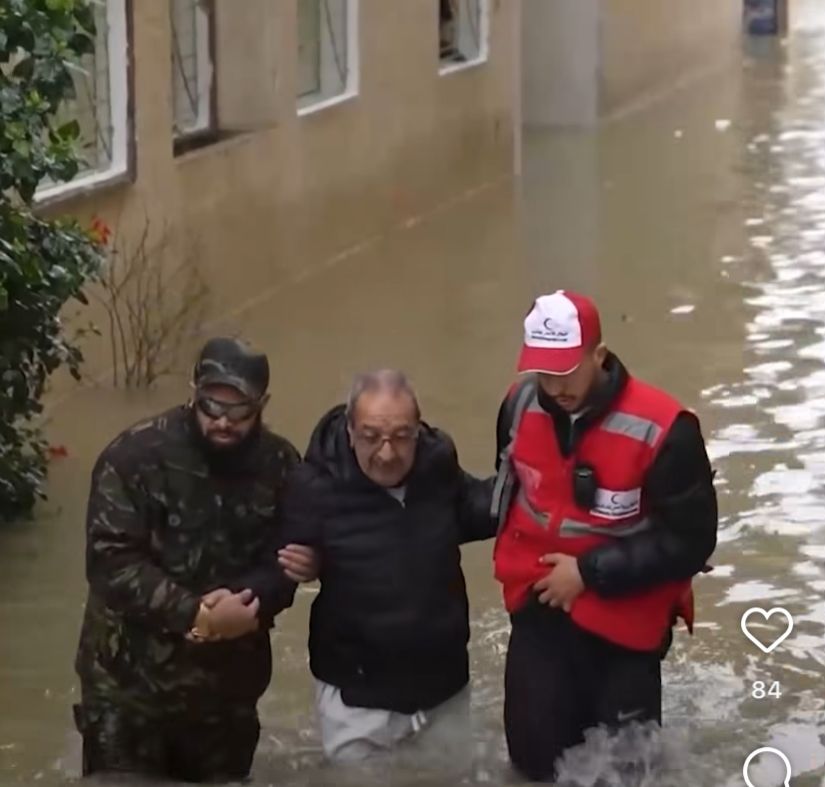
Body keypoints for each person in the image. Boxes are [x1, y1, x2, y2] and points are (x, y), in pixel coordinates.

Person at [491, 291, 718, 782]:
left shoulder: (665, 429)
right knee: (532, 766)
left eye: (567, 370)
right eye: (543, 372)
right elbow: (508, 497)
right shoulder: (516, 406)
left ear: (599, 355)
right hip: (541, 606)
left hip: (625, 622)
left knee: (625, 771)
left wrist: (589, 573)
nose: (555, 386)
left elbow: (692, 541)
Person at [73, 337, 317, 783]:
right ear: (193, 391)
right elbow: (110, 561)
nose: (222, 421)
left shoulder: (282, 463)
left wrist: (256, 601)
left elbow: (285, 558)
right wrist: (197, 615)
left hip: (226, 694)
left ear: (263, 403)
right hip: (129, 690)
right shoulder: (133, 457)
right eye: (210, 406)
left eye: (239, 410)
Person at [278, 369, 495, 765]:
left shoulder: (437, 463)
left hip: (443, 690)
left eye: (401, 436)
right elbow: (272, 563)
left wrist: (534, 483)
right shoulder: (313, 487)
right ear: (349, 432)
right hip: (358, 701)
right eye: (371, 436)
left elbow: (475, 509)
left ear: (418, 431)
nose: (387, 453)